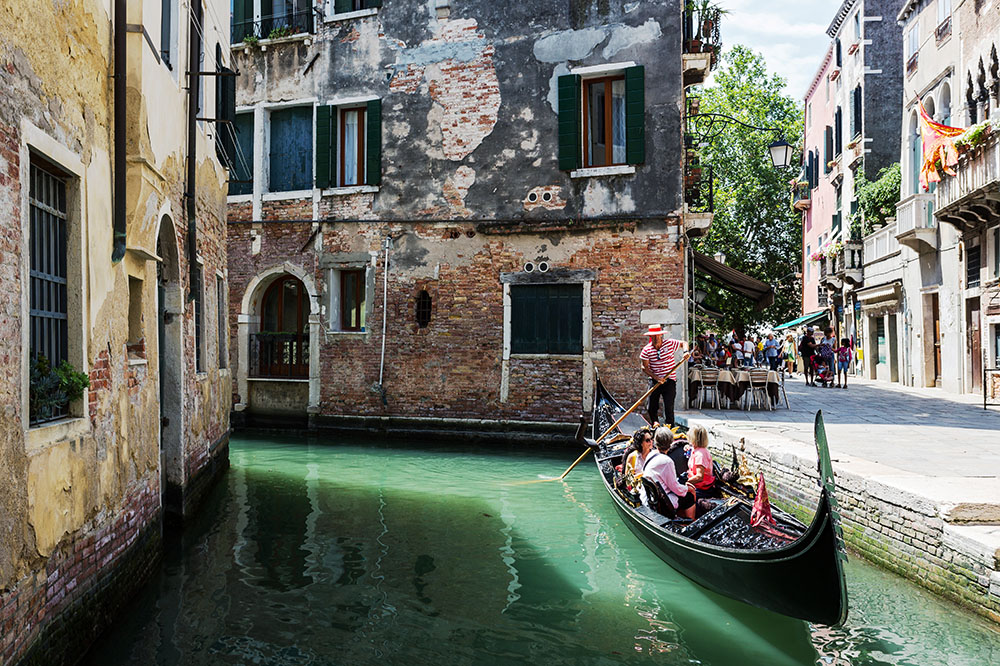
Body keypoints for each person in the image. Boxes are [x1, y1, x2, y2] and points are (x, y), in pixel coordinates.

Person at [640, 427, 697, 519]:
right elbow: (675, 487)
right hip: (661, 503)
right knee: (689, 496)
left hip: (648, 498)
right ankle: (690, 523)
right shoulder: (667, 461)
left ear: (655, 441)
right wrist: (689, 489)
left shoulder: (651, 454)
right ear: (671, 442)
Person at [640, 325, 688, 427]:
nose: (656, 338)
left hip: (669, 380)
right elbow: (644, 367)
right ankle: (655, 425)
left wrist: (685, 352)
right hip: (654, 380)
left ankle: (670, 429)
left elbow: (684, 343)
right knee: (651, 406)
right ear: (650, 337)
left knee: (669, 407)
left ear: (661, 335)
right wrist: (656, 378)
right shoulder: (646, 350)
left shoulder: (669, 343)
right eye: (653, 336)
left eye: (657, 336)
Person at [685, 424, 716, 495]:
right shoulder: (696, 449)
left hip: (701, 488)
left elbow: (699, 477)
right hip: (695, 482)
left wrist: (684, 483)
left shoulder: (700, 455)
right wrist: (688, 447)